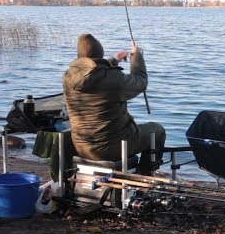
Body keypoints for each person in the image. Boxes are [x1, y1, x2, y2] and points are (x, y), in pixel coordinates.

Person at [62, 33, 166, 175]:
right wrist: (137, 56)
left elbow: (92, 72)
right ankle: (145, 175)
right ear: (101, 52)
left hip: (82, 146)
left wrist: (113, 60)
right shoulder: (112, 78)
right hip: (112, 147)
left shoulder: (68, 76)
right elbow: (140, 82)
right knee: (157, 130)